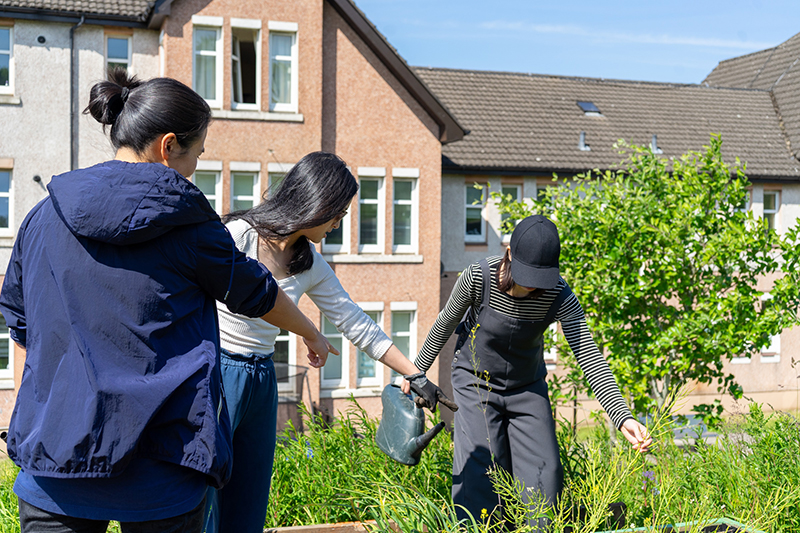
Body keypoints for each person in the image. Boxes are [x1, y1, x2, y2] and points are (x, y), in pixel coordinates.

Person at [0, 70, 334, 533]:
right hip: (161, 470)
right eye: (197, 154)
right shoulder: (190, 225)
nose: (195, 166)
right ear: (168, 145)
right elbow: (256, 292)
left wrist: (35, 422)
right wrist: (311, 332)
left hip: (56, 466)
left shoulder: (41, 217)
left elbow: (23, 331)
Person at [205, 151, 457, 533]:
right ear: (317, 203)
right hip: (219, 370)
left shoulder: (309, 264)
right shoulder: (238, 235)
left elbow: (356, 322)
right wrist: (310, 331)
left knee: (249, 497)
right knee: (207, 494)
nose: (339, 224)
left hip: (261, 378)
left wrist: (416, 374)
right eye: (339, 213)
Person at [413, 214, 651, 528]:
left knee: (545, 476)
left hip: (527, 388)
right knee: (482, 475)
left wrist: (622, 417)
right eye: (526, 276)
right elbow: (444, 323)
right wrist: (416, 374)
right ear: (509, 253)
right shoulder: (478, 277)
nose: (530, 287)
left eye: (540, 280)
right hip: (475, 383)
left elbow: (589, 356)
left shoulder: (559, 294)